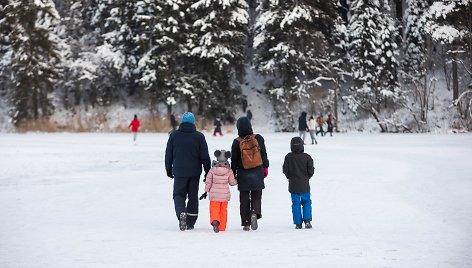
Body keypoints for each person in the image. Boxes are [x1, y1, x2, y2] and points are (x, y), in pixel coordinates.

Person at [165, 112, 211, 231]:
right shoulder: (199, 137)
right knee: (192, 196)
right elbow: (205, 156)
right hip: (195, 173)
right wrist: (208, 172)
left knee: (179, 195)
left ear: (182, 122)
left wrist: (168, 169)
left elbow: (168, 155)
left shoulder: (174, 136)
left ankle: (181, 213)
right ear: (193, 122)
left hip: (179, 172)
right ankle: (190, 222)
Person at [231, 117, 269, 231]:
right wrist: (265, 167)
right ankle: (254, 213)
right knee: (256, 196)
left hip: (243, 173)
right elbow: (263, 154)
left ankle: (246, 223)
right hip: (257, 171)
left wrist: (233, 172)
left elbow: (234, 160)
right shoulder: (258, 138)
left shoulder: (237, 142)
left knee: (244, 198)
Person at [199, 150, 237, 233]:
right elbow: (232, 183)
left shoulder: (212, 170)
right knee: (223, 210)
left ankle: (215, 221)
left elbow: (208, 182)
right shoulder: (229, 171)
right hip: (224, 195)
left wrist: (206, 191)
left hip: (214, 195)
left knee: (214, 209)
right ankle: (222, 227)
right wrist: (237, 180)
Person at [282, 137, 315, 229]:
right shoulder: (307, 157)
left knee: (295, 203)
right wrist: (306, 178)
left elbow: (285, 170)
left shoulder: (288, 157)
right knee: (306, 202)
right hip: (304, 184)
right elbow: (311, 171)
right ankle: (307, 220)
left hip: (293, 185)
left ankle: (298, 223)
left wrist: (290, 177)